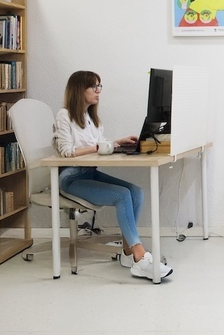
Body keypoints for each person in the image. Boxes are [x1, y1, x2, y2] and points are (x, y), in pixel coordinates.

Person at [53, 70, 173, 280]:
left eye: (100, 86)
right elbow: (66, 152)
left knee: (135, 192)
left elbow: (97, 146)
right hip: (71, 178)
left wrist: (118, 142)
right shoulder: (65, 115)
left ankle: (127, 253)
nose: (99, 91)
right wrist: (100, 146)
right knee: (121, 195)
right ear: (80, 89)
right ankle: (139, 256)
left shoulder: (92, 119)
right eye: (94, 86)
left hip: (89, 173)